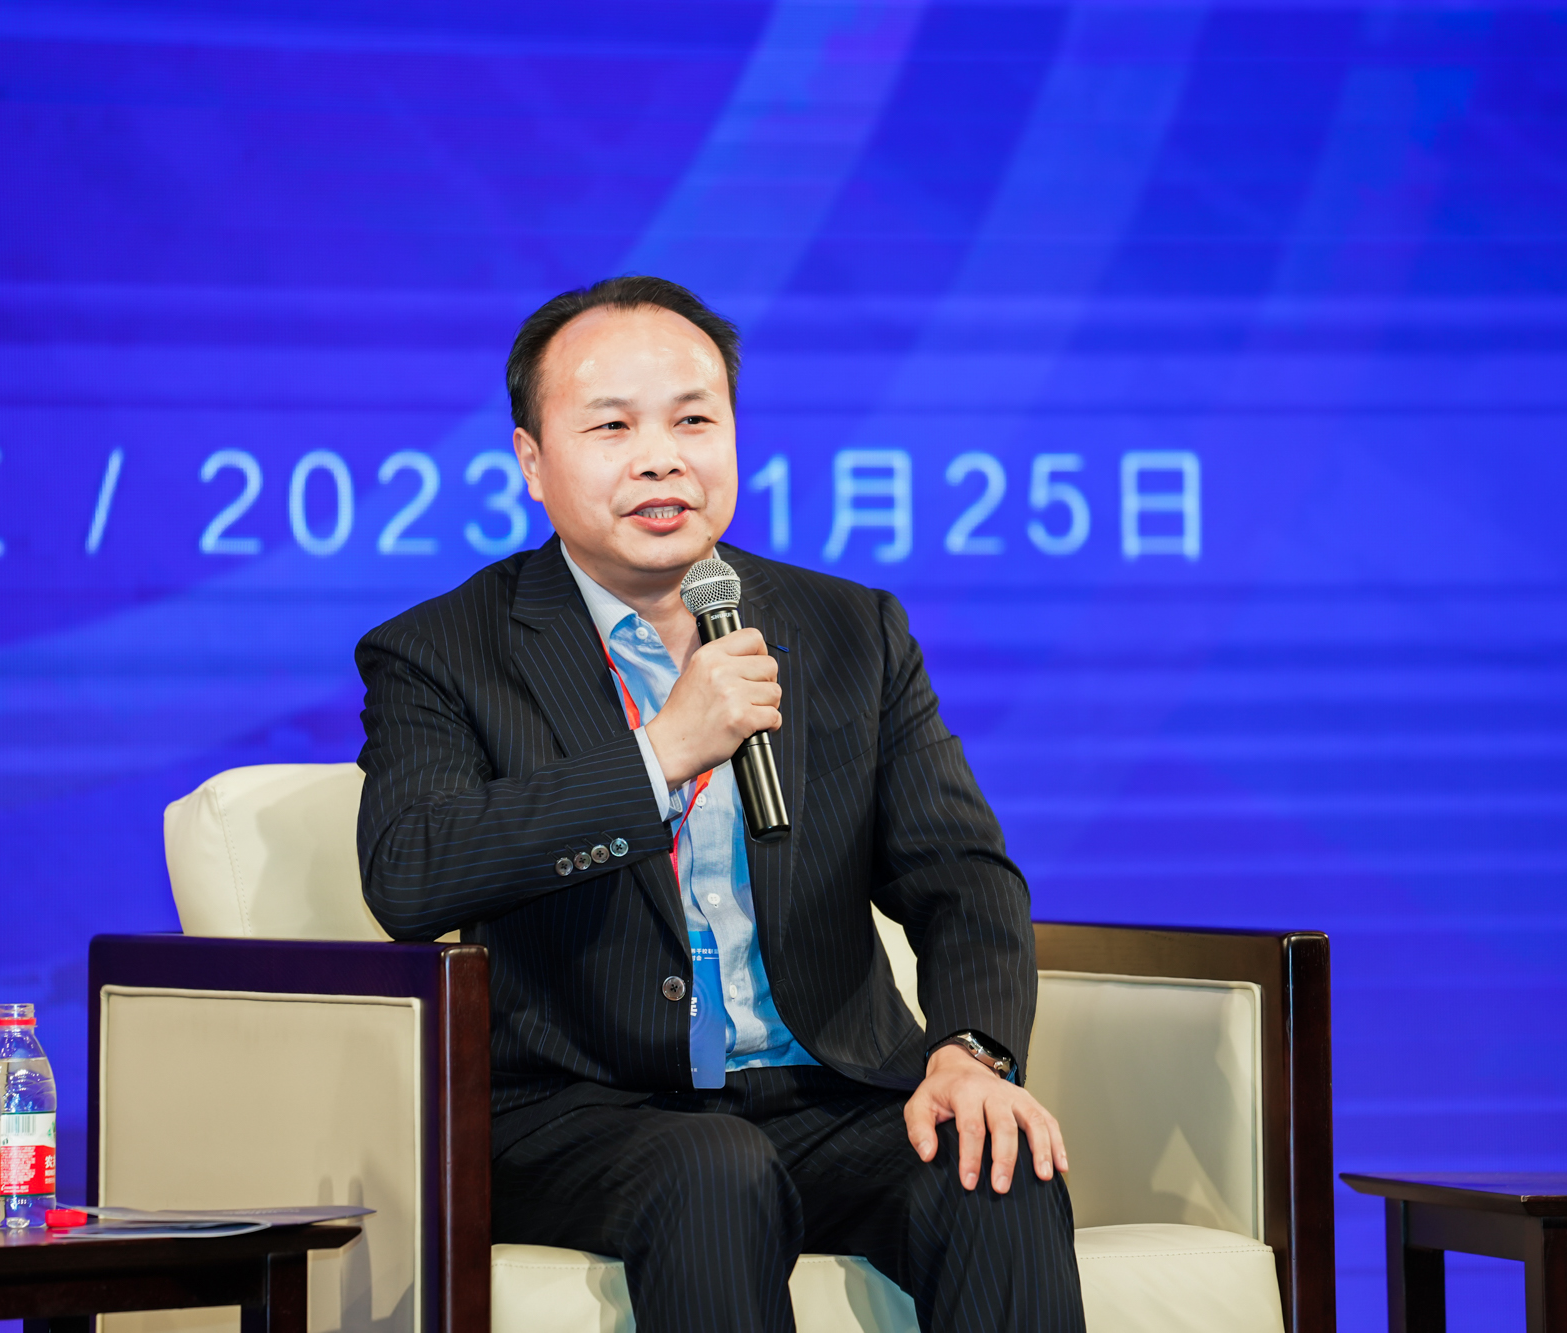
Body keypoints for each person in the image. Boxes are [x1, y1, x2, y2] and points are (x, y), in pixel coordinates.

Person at [355, 275, 1084, 1332]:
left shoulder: (851, 630)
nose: (661, 458)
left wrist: (969, 1053)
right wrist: (661, 754)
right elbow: (411, 870)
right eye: (612, 426)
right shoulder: (441, 651)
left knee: (995, 1167)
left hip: (822, 1089)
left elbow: (962, 876)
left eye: (693, 421)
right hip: (576, 1109)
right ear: (532, 462)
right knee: (714, 1166)